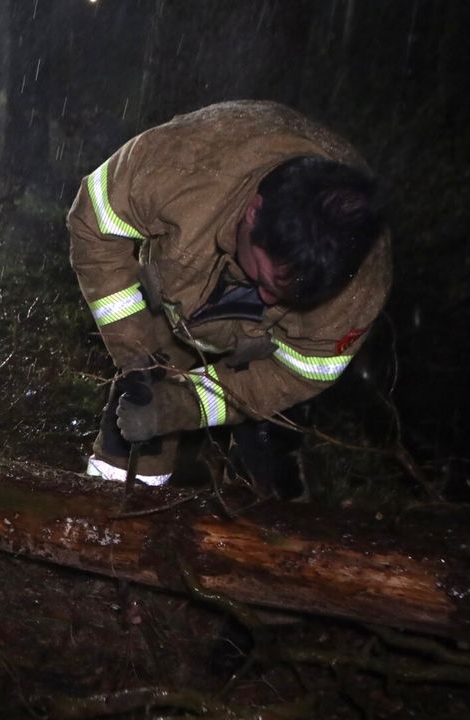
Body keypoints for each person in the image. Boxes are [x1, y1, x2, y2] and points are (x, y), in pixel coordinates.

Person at [67, 100, 390, 499]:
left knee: (269, 473)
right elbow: (94, 224)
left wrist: (184, 405)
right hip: (171, 298)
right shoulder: (187, 165)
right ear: (254, 213)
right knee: (132, 438)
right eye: (267, 280)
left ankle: (259, 525)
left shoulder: (357, 288)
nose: (270, 299)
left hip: (265, 352)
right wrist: (136, 355)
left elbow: (298, 373)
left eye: (292, 296)